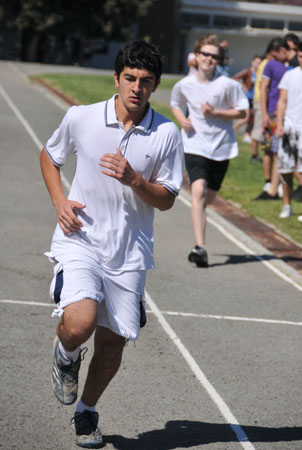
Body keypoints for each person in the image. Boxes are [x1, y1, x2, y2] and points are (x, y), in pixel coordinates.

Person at [40, 40, 184, 448]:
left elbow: (168, 199)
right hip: (80, 238)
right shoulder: (81, 118)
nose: (137, 87)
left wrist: (135, 179)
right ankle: (66, 354)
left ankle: (86, 412)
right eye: (131, 78)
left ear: (155, 87)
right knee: (81, 323)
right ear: (117, 78)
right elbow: (50, 157)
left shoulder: (166, 133)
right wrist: (59, 201)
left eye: (146, 81)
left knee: (112, 341)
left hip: (130, 251)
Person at [170, 34, 248, 267]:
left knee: (208, 198)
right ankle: (200, 247)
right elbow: (175, 103)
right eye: (205, 54)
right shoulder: (185, 84)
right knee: (198, 191)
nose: (209, 59)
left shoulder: (229, 85)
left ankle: (200, 215)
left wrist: (217, 113)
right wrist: (182, 120)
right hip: (194, 144)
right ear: (196, 56)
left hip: (221, 147)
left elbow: (243, 111)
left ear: (219, 61)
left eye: (214, 56)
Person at [255, 37, 288, 200]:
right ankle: (270, 183)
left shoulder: (288, 65)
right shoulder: (271, 64)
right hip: (274, 112)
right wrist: (265, 113)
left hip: (283, 112)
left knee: (277, 150)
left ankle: (278, 184)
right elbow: (263, 87)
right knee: (270, 148)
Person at [275, 39, 302, 219]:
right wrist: (279, 124)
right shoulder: (290, 75)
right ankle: (287, 205)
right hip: (288, 127)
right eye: (301, 56)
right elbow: (282, 101)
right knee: (285, 169)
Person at [232, 54, 261, 143]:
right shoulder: (248, 71)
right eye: (257, 62)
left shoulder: (259, 73)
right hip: (246, 98)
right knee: (246, 118)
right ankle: (232, 130)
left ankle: (247, 135)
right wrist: (242, 86)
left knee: (251, 119)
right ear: (252, 62)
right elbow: (235, 78)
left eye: (259, 63)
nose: (258, 64)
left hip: (254, 99)